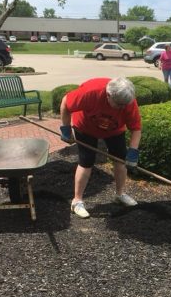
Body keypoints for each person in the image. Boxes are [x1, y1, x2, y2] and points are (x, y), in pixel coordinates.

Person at [60, 77, 142, 219]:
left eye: (125, 105)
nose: (123, 108)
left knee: (120, 160)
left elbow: (136, 128)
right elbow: (65, 103)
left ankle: (120, 194)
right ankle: (77, 201)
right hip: (85, 127)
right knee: (86, 161)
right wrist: (66, 129)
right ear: (108, 95)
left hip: (114, 130)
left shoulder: (128, 101)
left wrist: (133, 151)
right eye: (119, 105)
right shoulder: (91, 92)